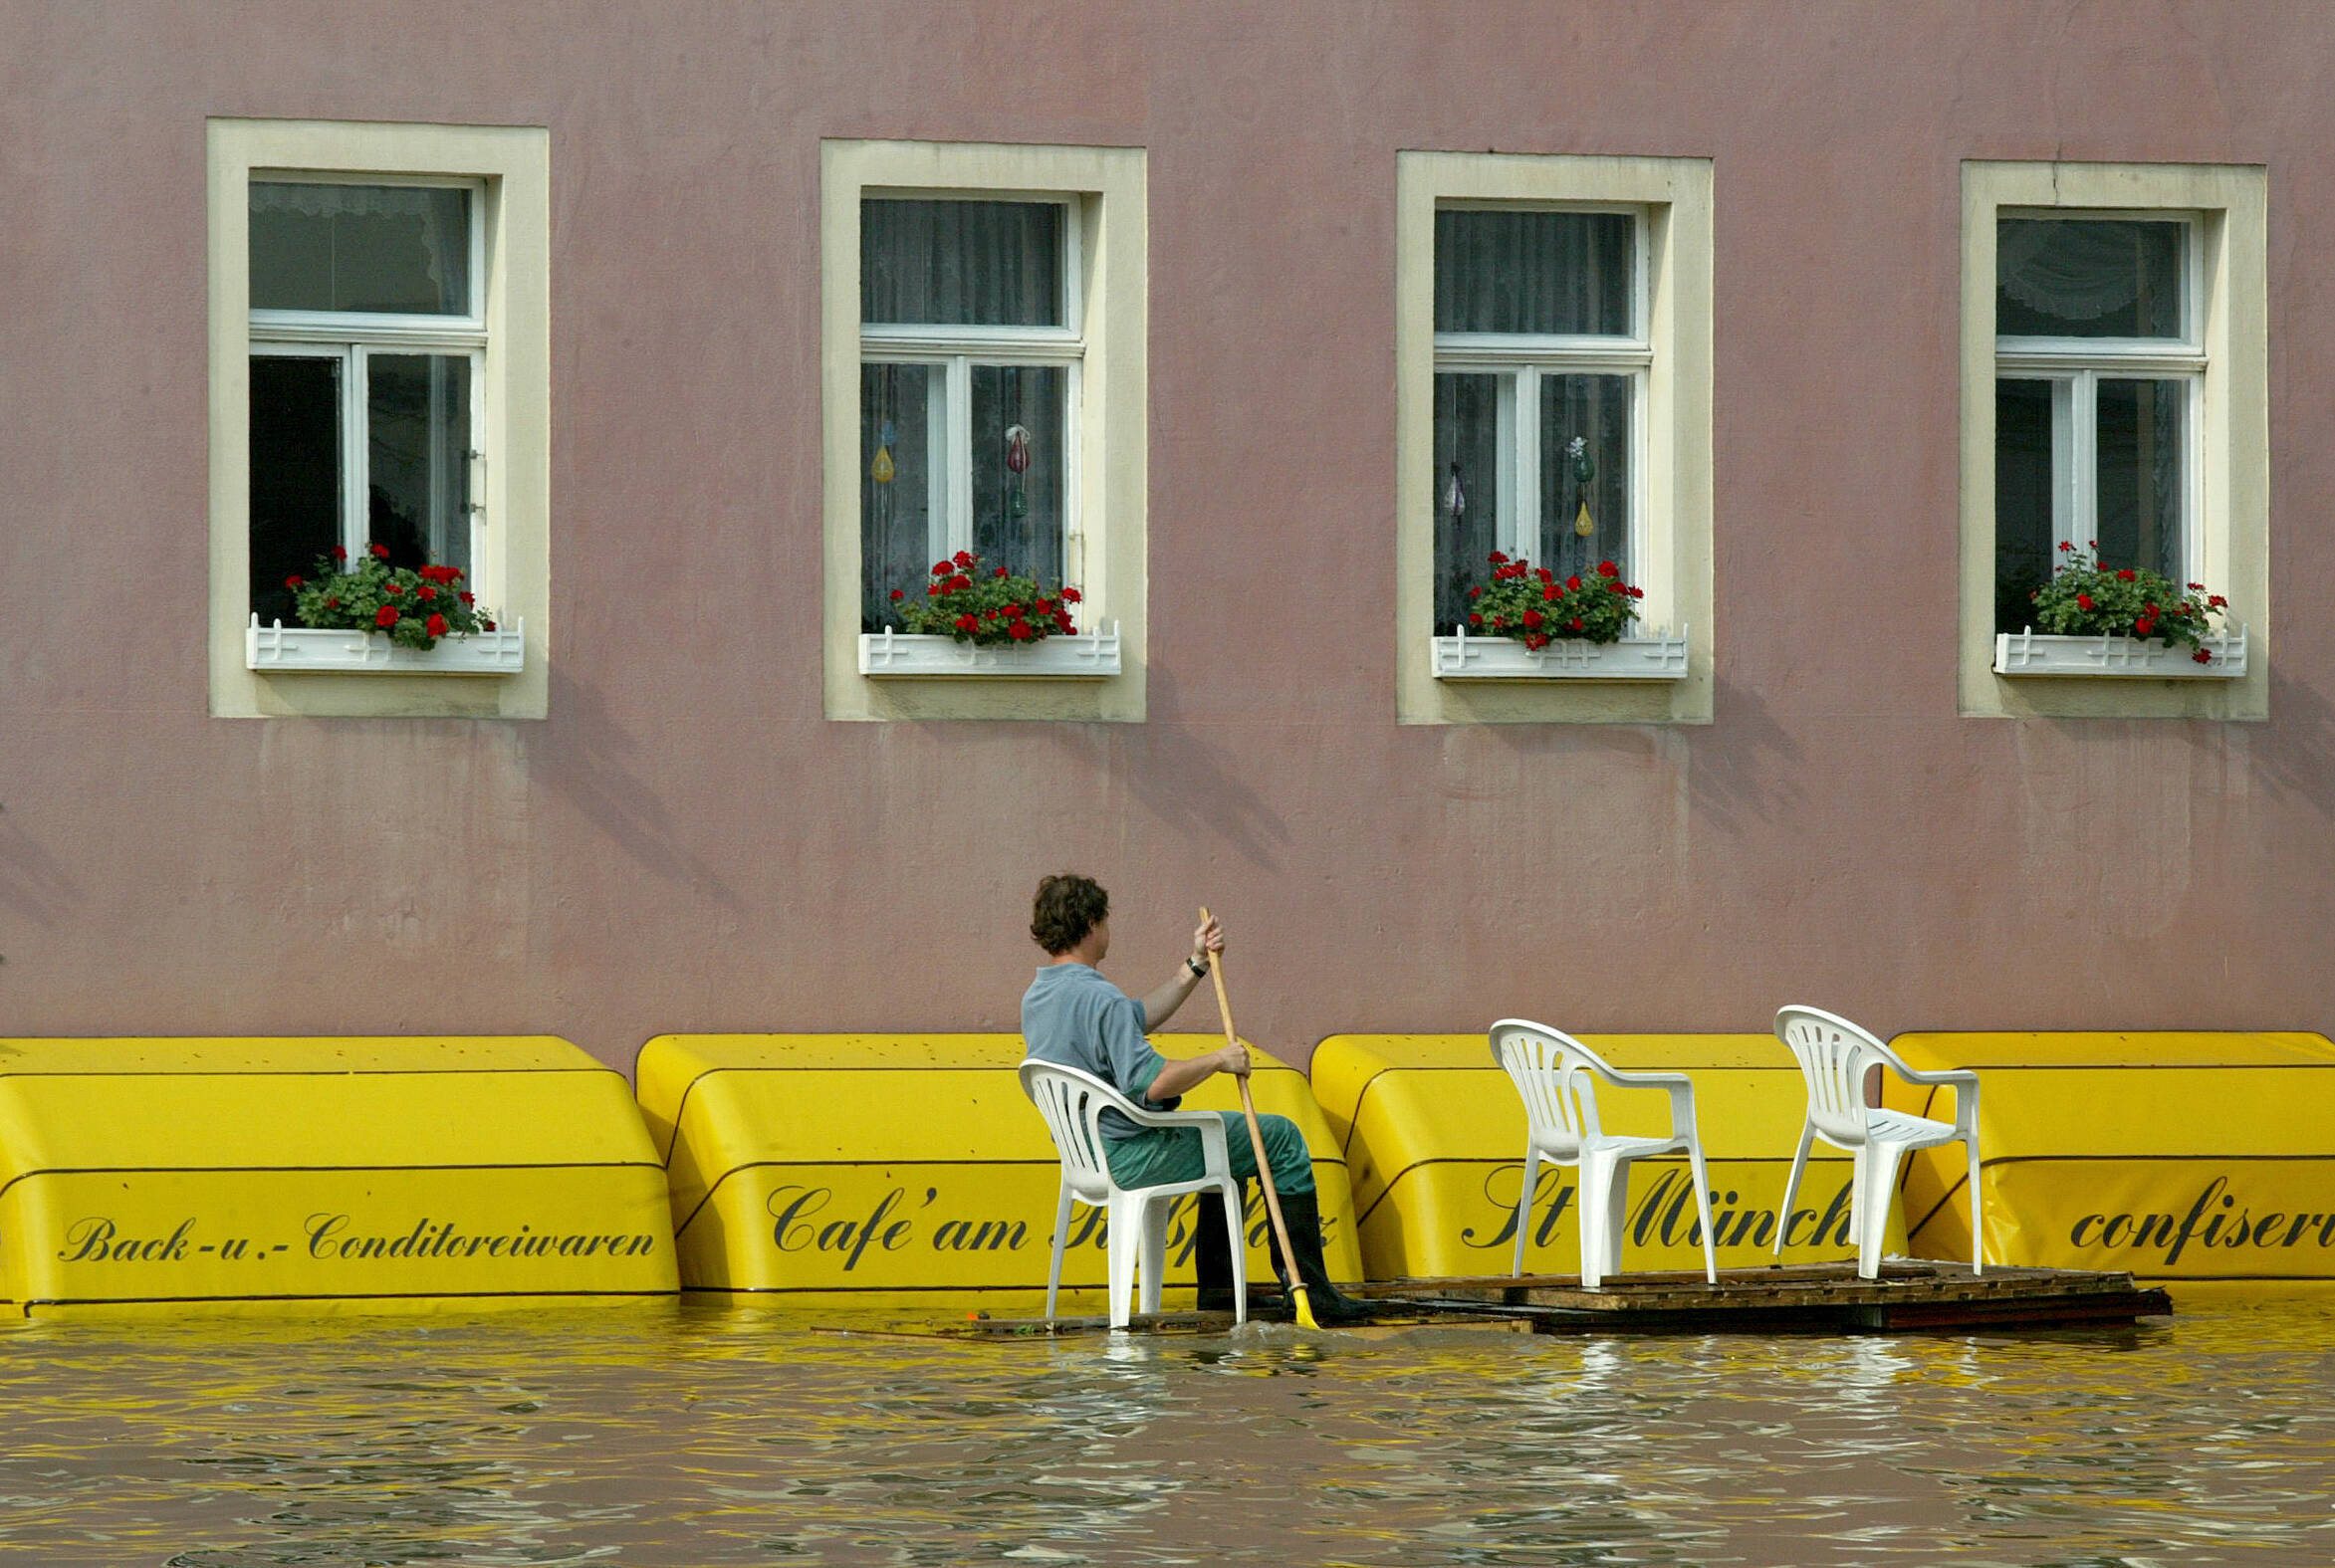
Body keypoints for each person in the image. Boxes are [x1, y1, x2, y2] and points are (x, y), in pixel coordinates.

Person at [1018, 873, 1372, 1325]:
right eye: (1105, 921)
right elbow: (1154, 1084)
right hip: (1135, 1154)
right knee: (1280, 1137)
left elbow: (1137, 1017)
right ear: (1091, 923)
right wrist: (1218, 1060)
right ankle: (1311, 1291)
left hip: (1088, 1158)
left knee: (1228, 1143)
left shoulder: (1042, 995)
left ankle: (1221, 1290)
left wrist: (1196, 964)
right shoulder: (1098, 997)